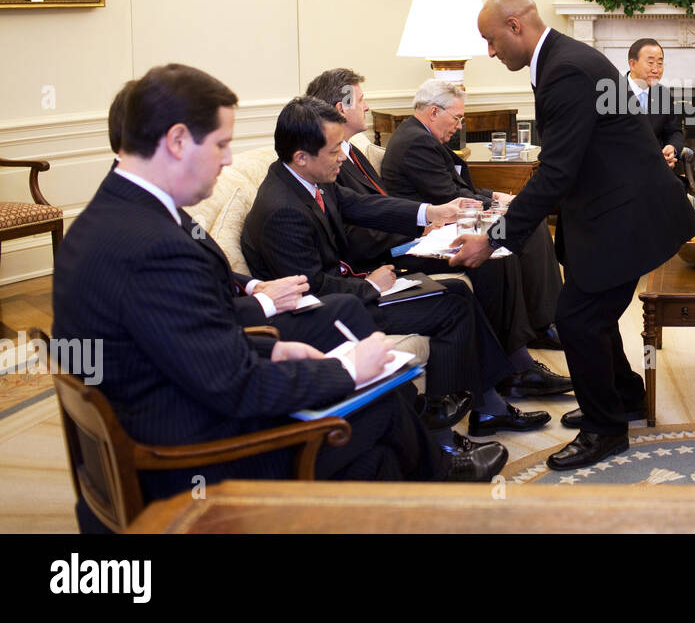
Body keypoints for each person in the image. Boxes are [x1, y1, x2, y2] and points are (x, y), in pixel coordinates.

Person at [53, 64, 444, 531]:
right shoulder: (154, 248)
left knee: (377, 443)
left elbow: (184, 336)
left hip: (164, 413)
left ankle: (429, 493)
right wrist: (344, 369)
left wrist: (273, 347)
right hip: (188, 463)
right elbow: (233, 386)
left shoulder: (113, 214)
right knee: (377, 406)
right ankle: (444, 496)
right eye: (220, 144)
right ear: (177, 141)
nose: (228, 159)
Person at [452, 0, 695, 470]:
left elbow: (557, 172)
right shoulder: (562, 59)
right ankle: (626, 398)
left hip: (626, 218)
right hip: (619, 213)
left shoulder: (565, 68)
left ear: (515, 26)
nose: (489, 52)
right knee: (594, 316)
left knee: (578, 318)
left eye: (490, 40)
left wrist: (494, 239)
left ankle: (605, 430)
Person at [239, 97, 534, 464]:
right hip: (332, 312)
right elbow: (312, 289)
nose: (343, 158)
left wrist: (433, 211)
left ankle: (481, 405)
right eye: (334, 151)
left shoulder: (309, 178)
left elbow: (363, 206)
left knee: (456, 289)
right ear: (301, 156)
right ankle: (443, 438)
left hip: (349, 289)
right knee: (451, 303)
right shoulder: (282, 210)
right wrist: (372, 286)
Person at [377, 77, 567, 357]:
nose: (459, 125)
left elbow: (458, 189)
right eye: (457, 118)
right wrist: (496, 203)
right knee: (516, 231)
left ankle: (543, 323)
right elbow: (448, 197)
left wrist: (497, 197)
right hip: (432, 232)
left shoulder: (419, 135)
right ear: (434, 112)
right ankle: (540, 328)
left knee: (525, 224)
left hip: (450, 221)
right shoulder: (416, 142)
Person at [625, 37, 684, 169]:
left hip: (656, 167)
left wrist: (672, 148)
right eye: (650, 63)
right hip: (621, 169)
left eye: (659, 63)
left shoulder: (662, 93)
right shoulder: (613, 93)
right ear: (632, 64)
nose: (656, 70)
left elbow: (674, 131)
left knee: (678, 188)